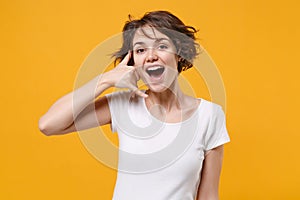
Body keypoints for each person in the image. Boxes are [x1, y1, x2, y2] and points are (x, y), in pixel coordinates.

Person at [39, 10, 230, 200]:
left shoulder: (209, 116)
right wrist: (105, 80)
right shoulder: (123, 104)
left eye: (161, 46)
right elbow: (48, 125)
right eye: (140, 50)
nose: (150, 56)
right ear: (133, 61)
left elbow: (208, 196)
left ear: (179, 54)